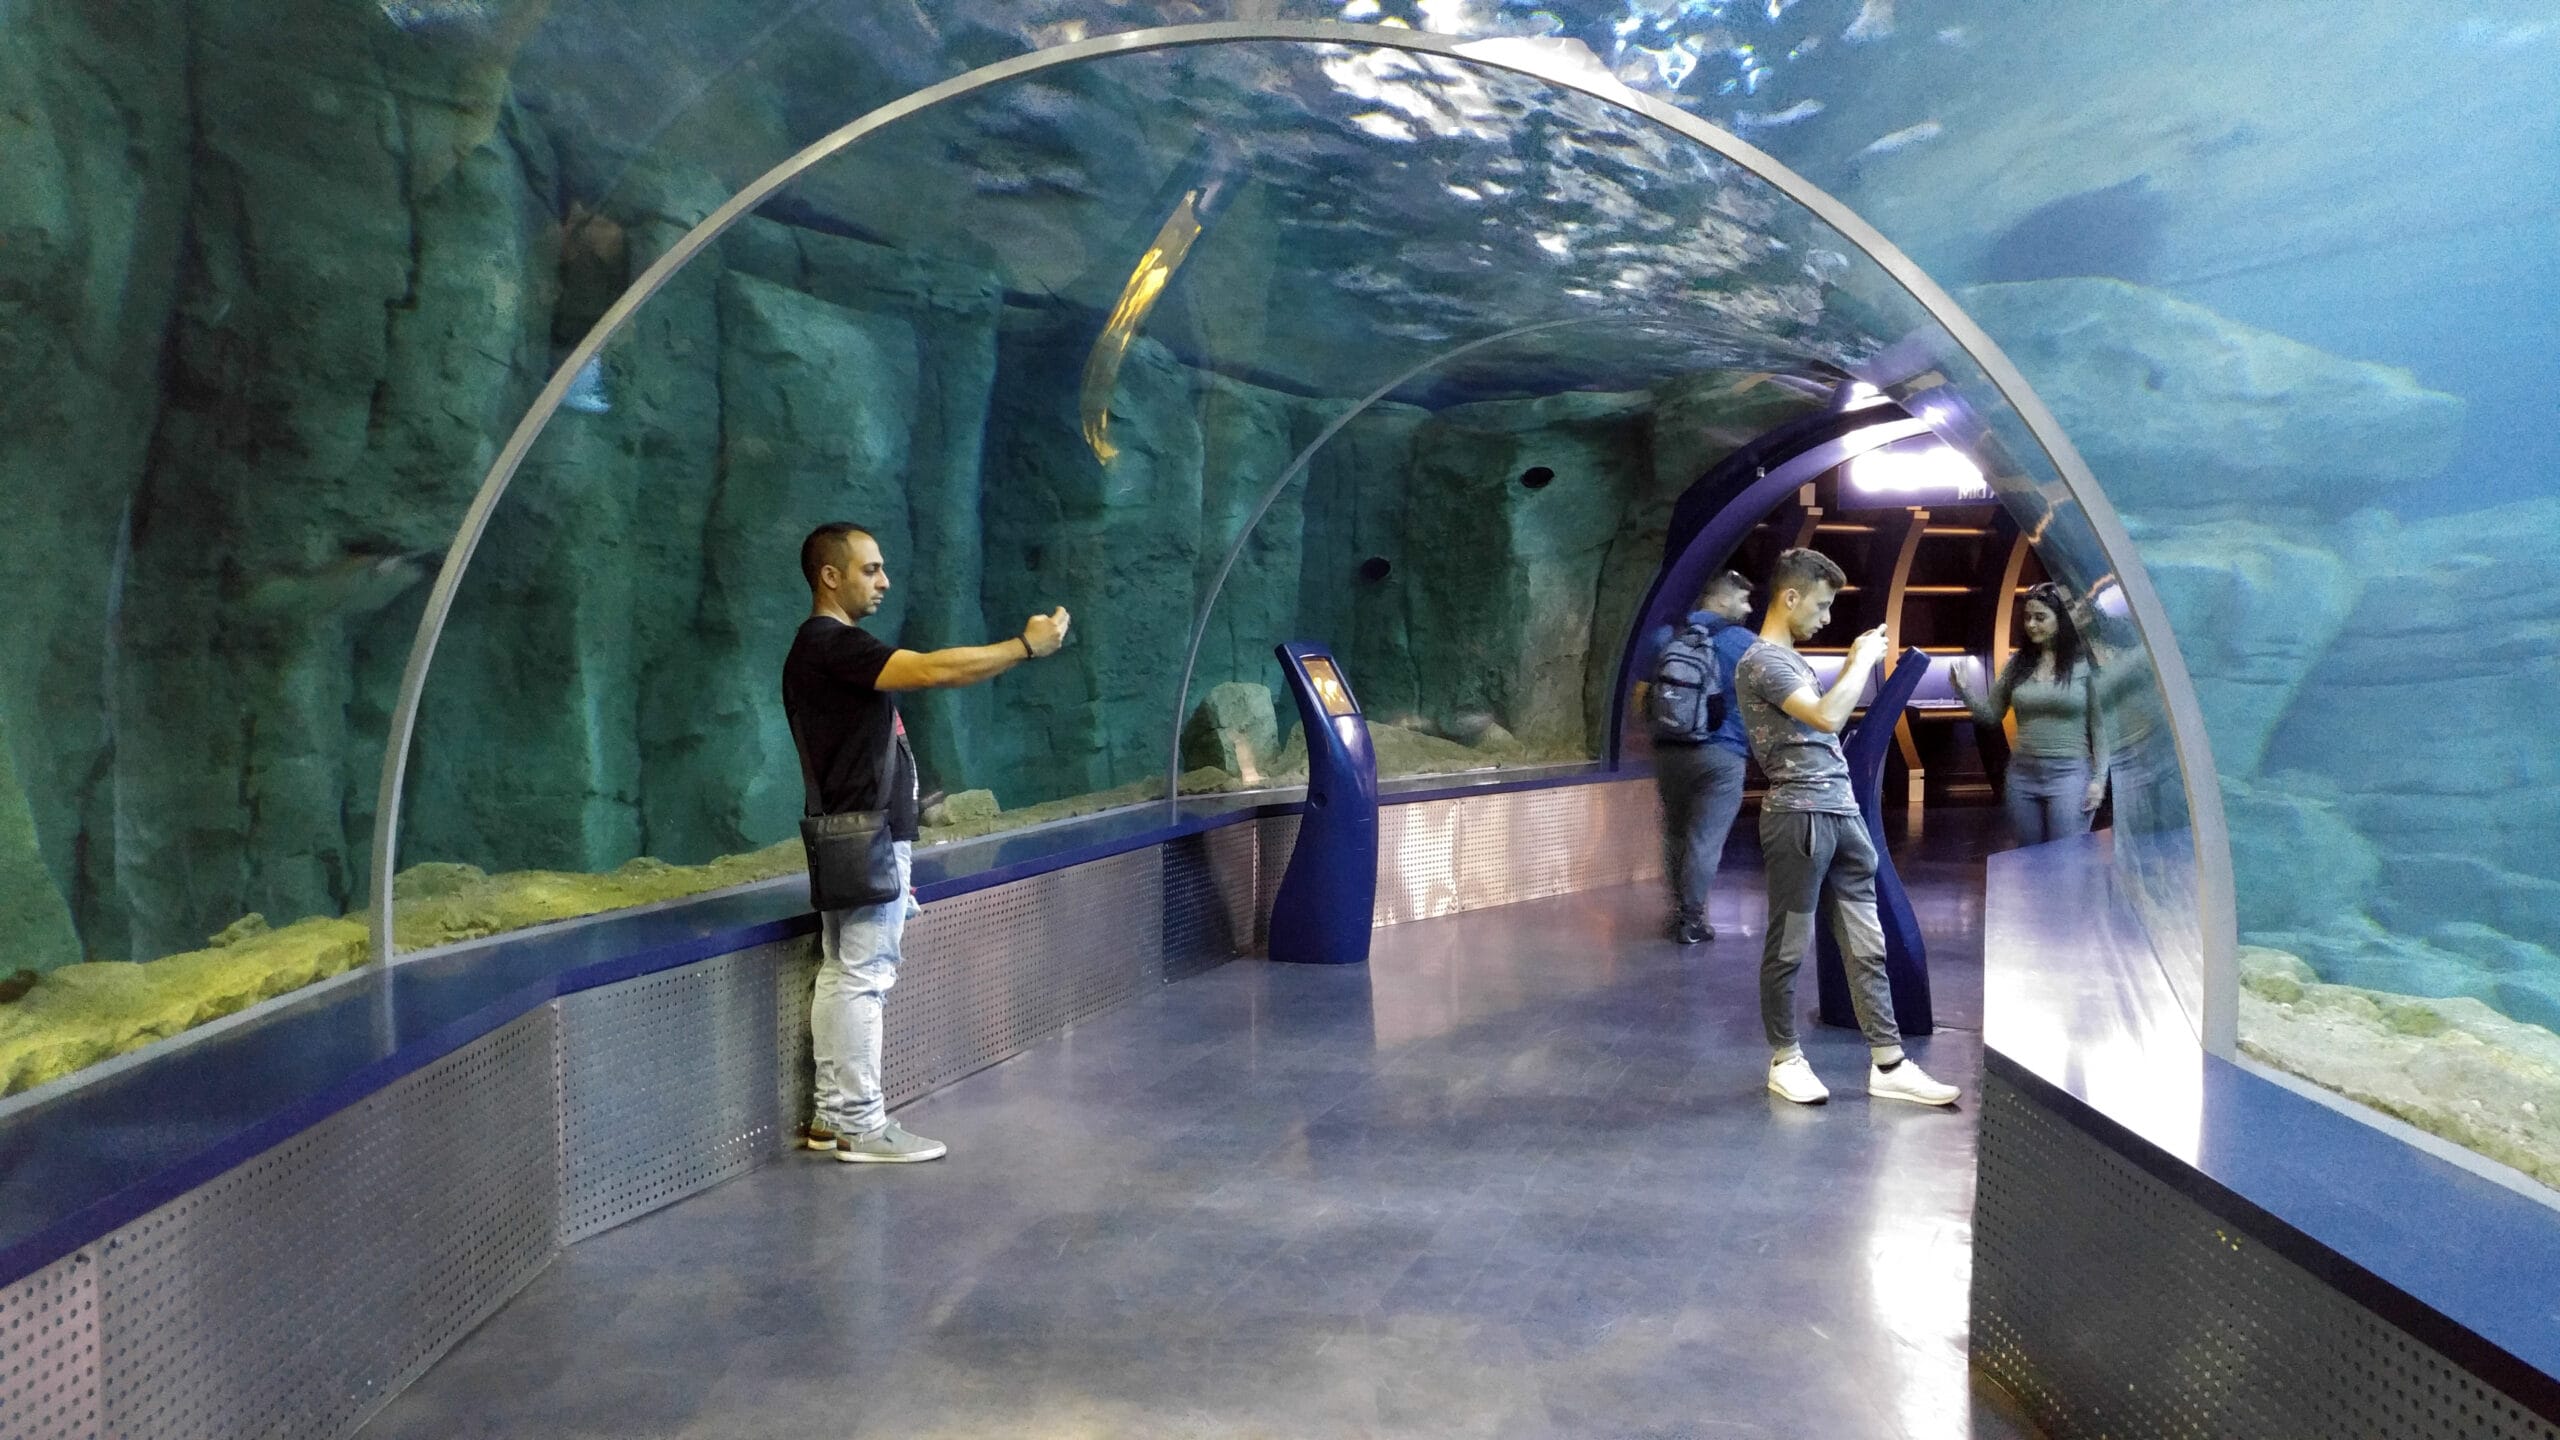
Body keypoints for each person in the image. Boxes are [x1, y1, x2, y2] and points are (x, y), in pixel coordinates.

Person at [784, 522, 1070, 1163]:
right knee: (864, 975)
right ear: (830, 575)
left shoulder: (824, 650)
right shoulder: (831, 643)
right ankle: (860, 1123)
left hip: (857, 836)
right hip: (865, 837)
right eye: (870, 569)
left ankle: (833, 1116)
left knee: (846, 972)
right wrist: (1025, 646)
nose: (884, 581)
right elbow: (934, 669)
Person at [1734, 547, 1958, 1108]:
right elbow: (1827, 716)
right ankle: (1785, 1059)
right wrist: (1860, 660)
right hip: (1800, 818)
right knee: (1788, 946)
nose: (1827, 618)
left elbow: (1823, 722)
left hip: (1841, 814)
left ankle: (1889, 1063)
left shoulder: (1792, 662)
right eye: (1821, 605)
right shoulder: (1762, 662)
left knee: (1867, 946)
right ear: (1790, 598)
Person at [1646, 571, 1758, 944]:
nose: (1748, 608)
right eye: (1742, 599)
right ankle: (1691, 919)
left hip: (1669, 753)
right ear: (1721, 599)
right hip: (1722, 755)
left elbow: (1644, 694)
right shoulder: (1744, 643)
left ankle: (1677, 911)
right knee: (1705, 839)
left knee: (1676, 833)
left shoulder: (1667, 636)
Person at [1951, 581, 2105, 847]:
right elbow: (1991, 715)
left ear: (2061, 620)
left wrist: (2099, 780)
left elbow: (2101, 728)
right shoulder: (2017, 665)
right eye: (2027, 617)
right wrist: (1964, 691)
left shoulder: (2085, 666)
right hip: (2022, 777)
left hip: (2070, 776)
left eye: (2040, 617)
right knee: (2030, 859)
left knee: (2064, 858)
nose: (2031, 624)